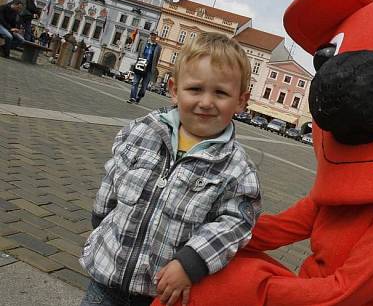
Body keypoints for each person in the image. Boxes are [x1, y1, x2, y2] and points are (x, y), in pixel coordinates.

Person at [79, 32, 261, 306]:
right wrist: (101, 222)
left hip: (164, 294)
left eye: (221, 93)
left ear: (240, 101)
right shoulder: (142, 131)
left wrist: (192, 262)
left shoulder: (237, 168)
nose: (206, 102)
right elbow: (112, 178)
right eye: (195, 89)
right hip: (106, 276)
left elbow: (235, 224)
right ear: (175, 89)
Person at [128, 31, 162, 104]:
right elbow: (139, 53)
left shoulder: (158, 47)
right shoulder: (143, 43)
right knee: (135, 82)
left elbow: (156, 58)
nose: (153, 36)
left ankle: (138, 97)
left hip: (149, 68)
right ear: (150, 35)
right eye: (152, 34)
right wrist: (137, 62)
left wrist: (154, 68)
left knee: (144, 86)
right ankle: (132, 98)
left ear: (156, 36)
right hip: (140, 65)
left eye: (155, 35)